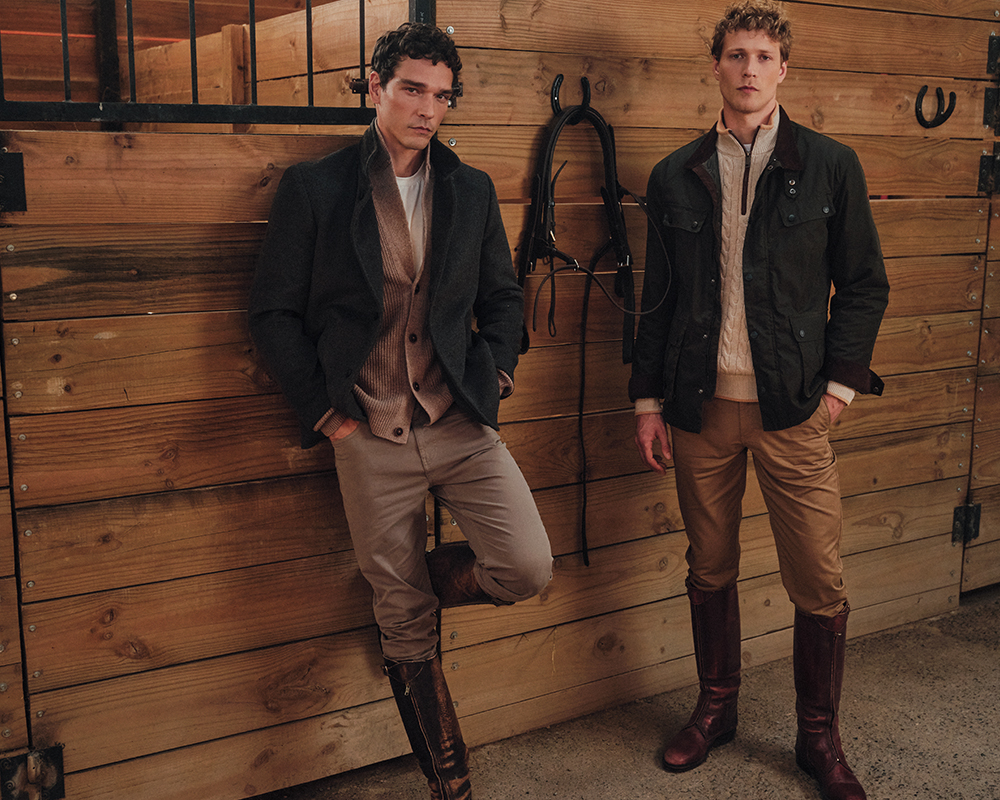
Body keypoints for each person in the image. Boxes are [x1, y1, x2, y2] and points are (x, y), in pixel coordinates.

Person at [249, 22, 552, 800]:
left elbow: (502, 295)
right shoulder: (315, 188)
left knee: (526, 566)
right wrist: (326, 414)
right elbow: (273, 314)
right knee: (403, 619)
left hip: (459, 421)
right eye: (412, 90)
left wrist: (499, 370)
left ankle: (415, 578)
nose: (427, 109)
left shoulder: (471, 190)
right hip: (367, 428)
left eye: (442, 96)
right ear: (376, 88)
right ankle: (451, 783)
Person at [629, 3, 888, 799]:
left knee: (818, 575)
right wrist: (646, 400)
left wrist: (837, 388)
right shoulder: (675, 174)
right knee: (708, 564)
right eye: (736, 54)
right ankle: (717, 708)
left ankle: (818, 737)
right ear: (716, 65)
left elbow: (865, 284)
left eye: (764, 56)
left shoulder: (830, 164)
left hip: (792, 408)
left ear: (784, 69)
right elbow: (658, 297)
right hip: (699, 407)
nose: (749, 69)